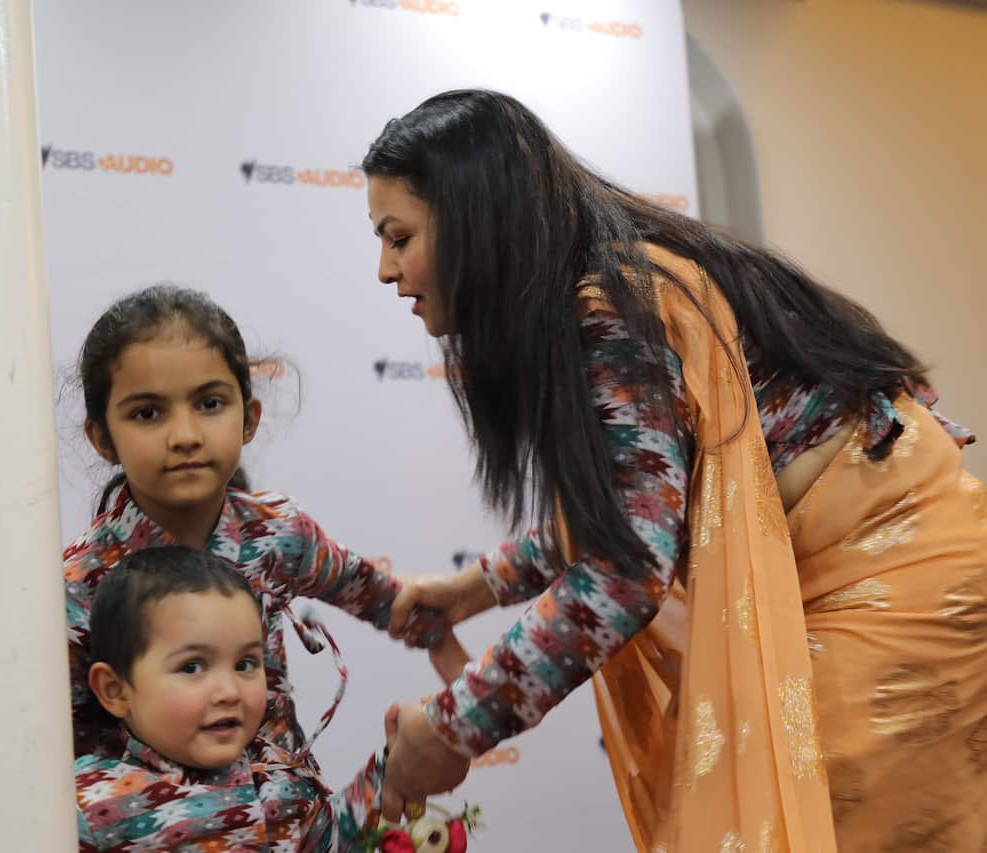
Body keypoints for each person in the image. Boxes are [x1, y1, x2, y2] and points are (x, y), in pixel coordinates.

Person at [366, 89, 987, 851]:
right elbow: (638, 501)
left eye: (399, 237)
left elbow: (627, 566)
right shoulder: (619, 282)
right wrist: (478, 587)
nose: (385, 270)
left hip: (893, 592)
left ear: (475, 220)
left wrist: (454, 726)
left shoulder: (613, 303)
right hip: (887, 577)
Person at [62, 286, 444, 789]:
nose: (185, 435)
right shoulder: (78, 586)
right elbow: (60, 757)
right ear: (102, 438)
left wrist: (462, 700)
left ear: (249, 419)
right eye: (148, 413)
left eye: (210, 403)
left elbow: (393, 604)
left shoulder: (277, 531)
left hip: (294, 816)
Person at [76, 545, 399, 851]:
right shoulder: (87, 807)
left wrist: (390, 769)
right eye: (192, 667)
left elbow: (333, 843)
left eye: (244, 664)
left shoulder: (282, 781)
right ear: (115, 690)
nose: (229, 692)